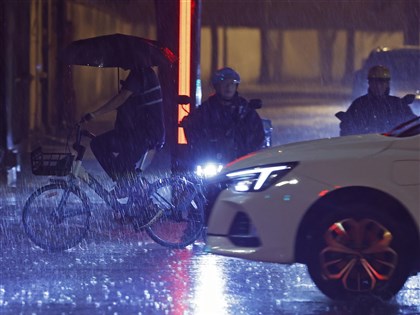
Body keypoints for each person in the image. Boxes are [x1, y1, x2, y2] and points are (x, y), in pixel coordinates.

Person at [82, 66, 165, 197]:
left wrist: (94, 114)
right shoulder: (142, 73)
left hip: (145, 134)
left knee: (103, 148)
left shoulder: (140, 73)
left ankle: (129, 188)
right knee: (117, 161)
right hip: (138, 133)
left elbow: (121, 98)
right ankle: (128, 186)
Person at [181, 67, 265, 164]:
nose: (229, 87)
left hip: (240, 162)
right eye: (224, 83)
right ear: (217, 86)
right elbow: (194, 137)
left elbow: (258, 138)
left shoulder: (245, 112)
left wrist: (246, 156)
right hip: (211, 161)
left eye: (232, 83)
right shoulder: (205, 111)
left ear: (236, 86)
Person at [338, 65, 416, 136]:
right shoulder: (359, 105)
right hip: (367, 147)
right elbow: (347, 132)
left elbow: (412, 127)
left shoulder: (398, 105)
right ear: (369, 83)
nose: (378, 86)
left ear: (387, 84)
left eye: (381, 83)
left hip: (393, 147)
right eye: (374, 83)